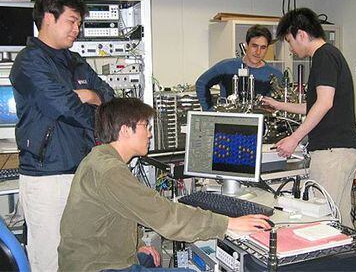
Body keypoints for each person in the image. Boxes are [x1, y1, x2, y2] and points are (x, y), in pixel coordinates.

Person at [58, 97, 271, 271]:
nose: (150, 133)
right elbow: (165, 215)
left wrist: (139, 244)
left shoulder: (99, 158)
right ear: (125, 130)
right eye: (145, 126)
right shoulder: (111, 171)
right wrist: (226, 224)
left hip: (95, 259)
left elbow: (117, 214)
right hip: (98, 268)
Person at [9, 0, 114, 271]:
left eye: (79, 23)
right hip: (47, 177)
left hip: (82, 171)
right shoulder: (29, 62)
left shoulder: (75, 61)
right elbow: (65, 107)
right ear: (48, 18)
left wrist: (92, 96)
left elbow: (110, 96)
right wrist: (89, 103)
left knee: (84, 254)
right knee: (50, 260)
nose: (77, 29)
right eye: (72, 21)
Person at [261, 8, 356, 227]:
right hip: (341, 151)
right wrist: (279, 105)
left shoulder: (324, 56)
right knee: (339, 219)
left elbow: (324, 103)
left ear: (301, 35)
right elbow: (315, 105)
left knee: (323, 220)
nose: (290, 47)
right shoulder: (330, 54)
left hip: (332, 153)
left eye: (289, 40)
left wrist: (294, 138)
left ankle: (335, 262)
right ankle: (351, 261)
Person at [195, 25, 283, 111]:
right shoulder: (227, 67)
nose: (258, 52)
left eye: (263, 48)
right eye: (254, 46)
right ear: (246, 45)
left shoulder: (275, 75)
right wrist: (209, 111)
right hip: (228, 123)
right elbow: (202, 83)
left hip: (260, 123)